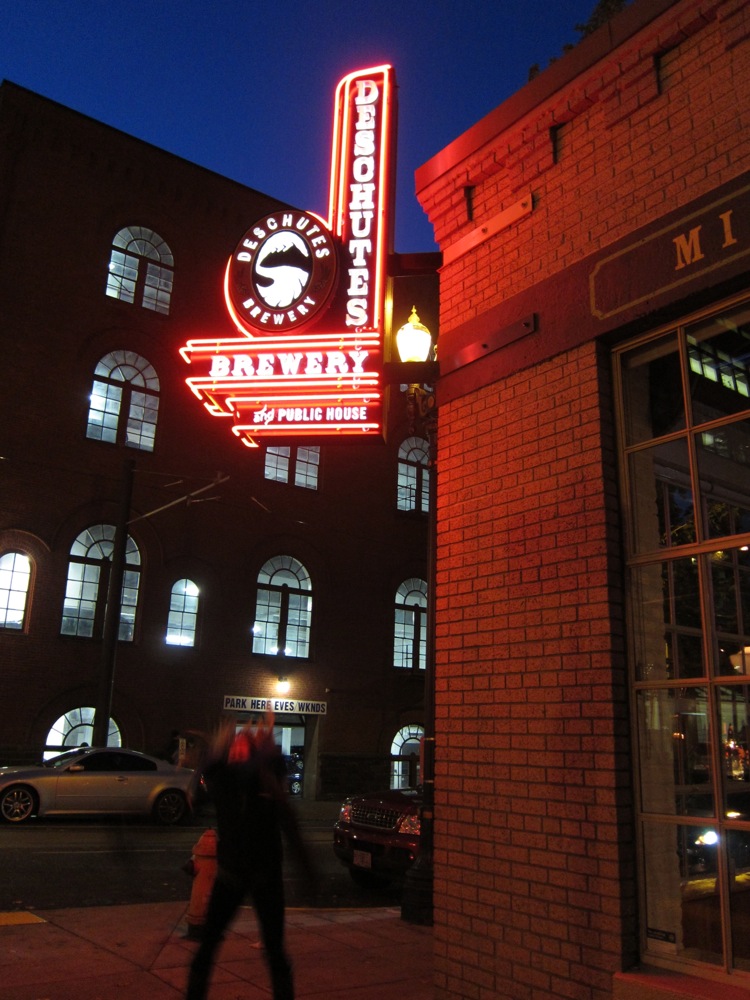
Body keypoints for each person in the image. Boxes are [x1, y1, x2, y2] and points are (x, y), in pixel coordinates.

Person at [186, 712, 314, 1000]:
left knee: (274, 951)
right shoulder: (226, 781)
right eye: (237, 742)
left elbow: (289, 822)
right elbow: (197, 792)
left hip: (264, 877)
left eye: (246, 743)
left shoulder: (266, 781)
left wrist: (265, 751)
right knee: (207, 947)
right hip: (231, 875)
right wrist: (216, 750)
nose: (240, 744)